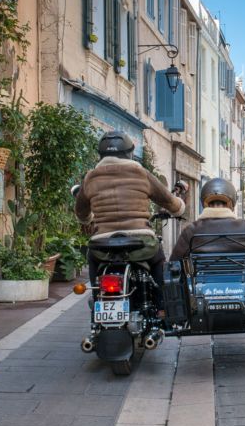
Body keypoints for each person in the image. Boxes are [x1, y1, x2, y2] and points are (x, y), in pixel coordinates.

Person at [75, 131, 187, 308]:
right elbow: (169, 201)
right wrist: (179, 207)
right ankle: (161, 307)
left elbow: (81, 212)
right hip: (140, 241)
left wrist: (90, 218)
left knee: (92, 257)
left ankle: (98, 300)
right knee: (158, 259)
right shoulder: (140, 173)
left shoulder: (91, 177)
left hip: (103, 244)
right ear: (129, 153)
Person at [170, 178, 245, 272]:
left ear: (205, 203)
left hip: (200, 287)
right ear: (231, 203)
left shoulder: (191, 229)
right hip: (242, 285)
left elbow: (173, 263)